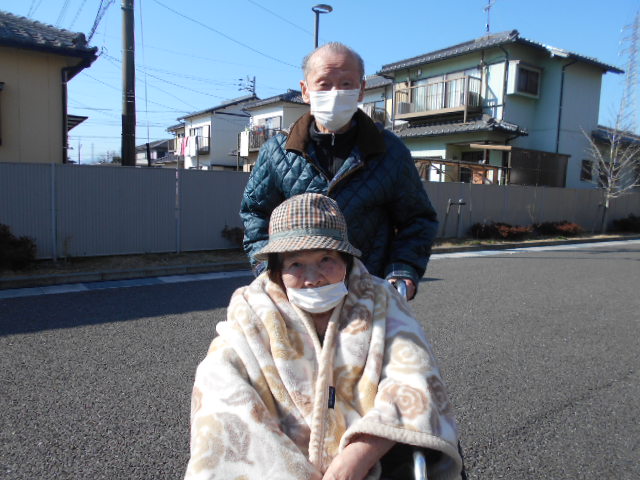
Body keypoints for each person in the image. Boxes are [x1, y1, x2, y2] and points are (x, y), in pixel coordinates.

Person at [185, 193, 463, 480]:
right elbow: (219, 377)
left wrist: (360, 454)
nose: (313, 277)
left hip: (372, 462)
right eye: (296, 263)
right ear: (277, 270)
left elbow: (414, 376)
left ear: (346, 259)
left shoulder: (380, 299)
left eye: (326, 258)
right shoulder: (253, 308)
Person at [240, 42, 438, 300]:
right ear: (305, 90)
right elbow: (255, 213)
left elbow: (418, 219)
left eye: (346, 84)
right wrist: (268, 270)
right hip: (298, 292)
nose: (335, 93)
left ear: (361, 89)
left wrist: (403, 270)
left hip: (368, 291)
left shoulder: (390, 150)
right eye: (324, 83)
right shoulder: (278, 151)